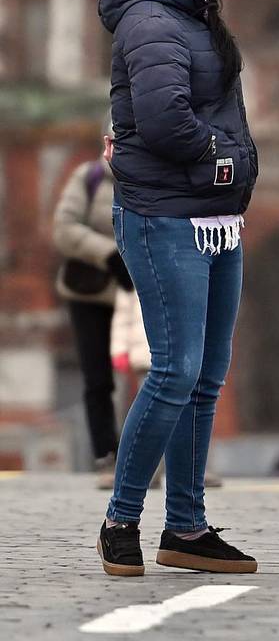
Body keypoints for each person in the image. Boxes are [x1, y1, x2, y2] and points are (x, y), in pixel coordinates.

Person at [94, 0, 258, 578]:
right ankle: (121, 519)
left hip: (213, 216)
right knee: (174, 371)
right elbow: (164, 121)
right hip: (166, 215)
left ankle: (186, 529)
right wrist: (222, 157)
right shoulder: (151, 19)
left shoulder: (188, 16)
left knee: (205, 378)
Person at [52, 120, 133, 490]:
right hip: (90, 294)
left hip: (136, 293)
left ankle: (153, 458)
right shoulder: (88, 178)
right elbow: (64, 230)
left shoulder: (151, 180)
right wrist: (110, 255)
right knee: (97, 377)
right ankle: (107, 456)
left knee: (151, 375)